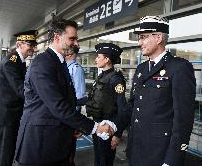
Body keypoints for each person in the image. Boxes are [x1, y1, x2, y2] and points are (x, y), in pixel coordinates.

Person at [15, 19, 116, 166]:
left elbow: (68, 100)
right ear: (57, 37)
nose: (76, 43)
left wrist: (75, 125)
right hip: (40, 147)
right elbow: (58, 106)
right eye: (72, 38)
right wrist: (94, 127)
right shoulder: (43, 63)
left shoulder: (58, 62)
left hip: (54, 142)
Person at [126, 16, 196, 166]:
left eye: (143, 37)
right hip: (136, 149)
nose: (139, 42)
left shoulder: (179, 68)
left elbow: (183, 120)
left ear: (158, 38)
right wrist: (114, 127)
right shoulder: (141, 68)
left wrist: (172, 160)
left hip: (160, 154)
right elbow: (133, 106)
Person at [0, 30, 38, 166]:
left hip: (12, 114)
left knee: (10, 150)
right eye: (30, 44)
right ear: (19, 44)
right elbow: (21, 90)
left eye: (34, 45)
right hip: (7, 116)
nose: (33, 48)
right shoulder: (10, 63)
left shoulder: (19, 61)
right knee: (6, 153)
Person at [85, 43, 129, 166]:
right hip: (98, 124)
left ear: (107, 59)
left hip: (109, 127)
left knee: (105, 161)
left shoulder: (116, 79)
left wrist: (118, 134)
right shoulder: (101, 76)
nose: (96, 59)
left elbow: (123, 109)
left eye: (98, 56)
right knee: (98, 159)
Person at [65, 45, 86, 166]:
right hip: (63, 113)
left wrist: (75, 121)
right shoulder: (64, 67)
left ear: (70, 53)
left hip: (70, 115)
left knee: (69, 152)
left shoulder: (76, 69)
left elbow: (79, 97)